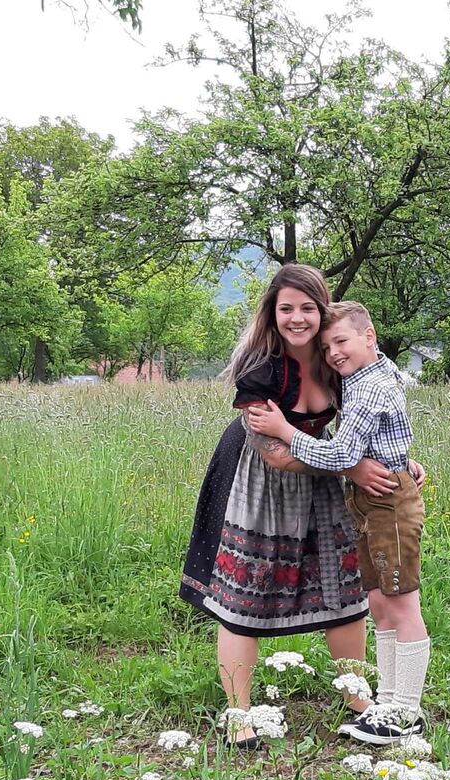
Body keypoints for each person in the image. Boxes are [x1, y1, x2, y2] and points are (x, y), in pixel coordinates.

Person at [179, 265, 423, 748]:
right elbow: (275, 452)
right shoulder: (261, 369)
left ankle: (359, 698)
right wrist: (353, 469)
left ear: (322, 309)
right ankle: (239, 715)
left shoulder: (337, 356)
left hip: (326, 467)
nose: (297, 318)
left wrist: (394, 461)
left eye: (308, 308)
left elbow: (370, 418)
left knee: (345, 590)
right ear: (272, 313)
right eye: (286, 308)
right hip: (259, 479)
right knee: (245, 595)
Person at [248, 300, 429, 746]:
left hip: (388, 503)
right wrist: (400, 458)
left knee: (402, 605)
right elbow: (384, 434)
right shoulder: (371, 374)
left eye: (341, 342)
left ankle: (406, 711)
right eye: (327, 347)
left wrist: (285, 430)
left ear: (369, 336)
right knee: (381, 603)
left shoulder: (368, 388)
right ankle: (388, 702)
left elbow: (342, 454)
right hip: (371, 500)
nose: (333, 354)